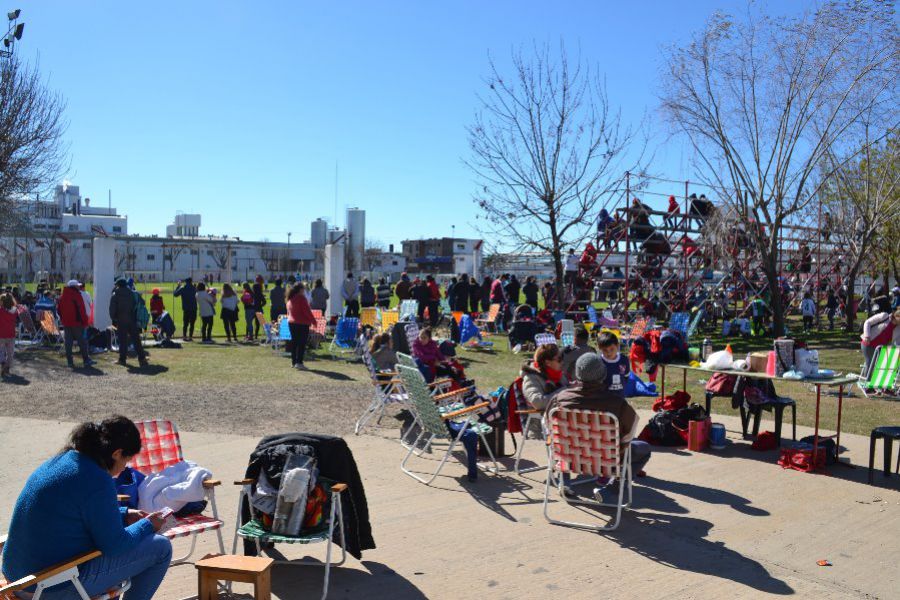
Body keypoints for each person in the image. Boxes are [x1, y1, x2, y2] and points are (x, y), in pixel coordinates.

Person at [1, 416, 171, 600]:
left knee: (110, 558)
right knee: (161, 548)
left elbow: (75, 513)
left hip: (16, 578)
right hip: (46, 588)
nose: (124, 468)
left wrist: (124, 514)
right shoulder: (97, 480)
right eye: (126, 461)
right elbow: (116, 546)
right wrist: (148, 525)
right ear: (116, 453)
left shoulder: (64, 460)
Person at [549, 353, 651, 501]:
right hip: (606, 462)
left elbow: (549, 429)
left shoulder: (560, 399)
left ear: (577, 373)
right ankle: (614, 487)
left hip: (569, 459)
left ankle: (565, 480)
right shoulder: (616, 402)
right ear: (603, 374)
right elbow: (628, 435)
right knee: (644, 448)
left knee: (565, 441)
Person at [109, 278, 148, 368]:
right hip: (132, 319)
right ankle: (142, 359)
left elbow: (112, 310)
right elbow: (138, 304)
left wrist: (115, 319)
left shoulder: (115, 295)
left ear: (118, 285)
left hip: (121, 320)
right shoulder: (132, 293)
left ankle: (122, 360)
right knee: (136, 340)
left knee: (123, 341)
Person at [519, 343, 567, 412]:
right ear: (547, 362)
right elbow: (538, 403)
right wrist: (566, 391)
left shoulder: (559, 375)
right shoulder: (531, 378)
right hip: (539, 420)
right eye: (559, 359)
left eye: (562, 357)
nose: (562, 362)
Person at [58, 280, 94, 369]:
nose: (79, 287)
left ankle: (70, 362)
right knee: (82, 342)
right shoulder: (77, 295)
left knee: (68, 342)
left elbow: (59, 310)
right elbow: (81, 310)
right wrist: (85, 322)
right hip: (77, 323)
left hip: (66, 323)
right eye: (77, 286)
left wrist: (63, 319)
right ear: (74, 287)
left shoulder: (62, 296)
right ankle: (86, 360)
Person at [860, 300, 900, 378]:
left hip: (881, 347)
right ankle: (867, 384)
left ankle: (883, 385)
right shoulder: (884, 316)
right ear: (897, 316)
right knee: (870, 363)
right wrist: (867, 336)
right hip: (868, 343)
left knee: (884, 365)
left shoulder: (898, 328)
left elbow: (897, 341)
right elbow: (867, 322)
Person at [287, 281, 315, 370]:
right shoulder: (301, 298)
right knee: (301, 344)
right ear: (300, 289)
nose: (304, 290)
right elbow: (307, 311)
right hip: (302, 323)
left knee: (294, 343)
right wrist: (314, 321)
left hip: (291, 323)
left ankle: (294, 362)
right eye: (303, 288)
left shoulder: (290, 298)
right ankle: (299, 362)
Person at [0, 292, 18, 378]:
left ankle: (3, 364)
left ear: (2, 302)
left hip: (1, 334)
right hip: (11, 334)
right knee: (10, 353)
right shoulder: (15, 311)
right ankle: (7, 367)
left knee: (1, 352)